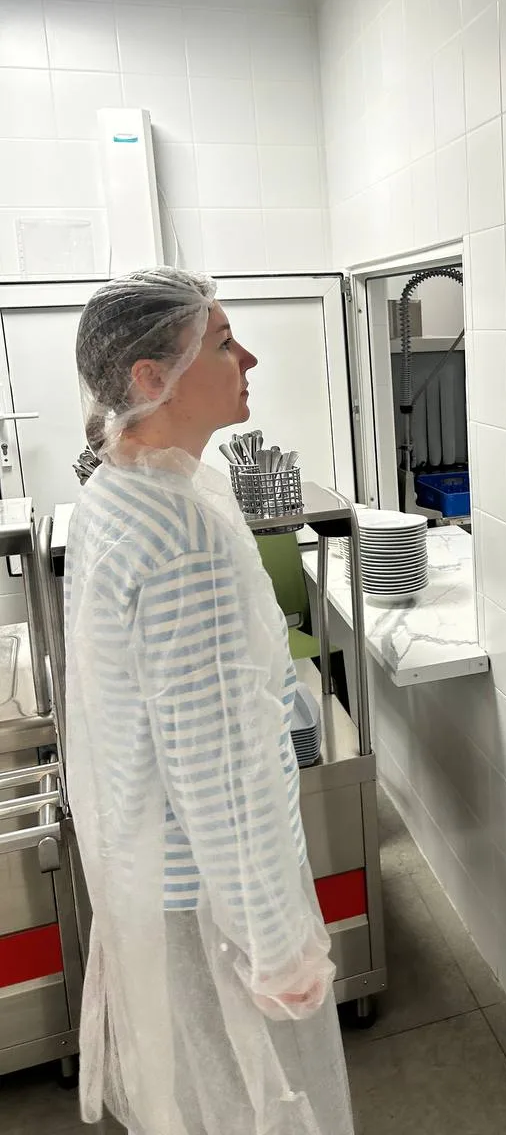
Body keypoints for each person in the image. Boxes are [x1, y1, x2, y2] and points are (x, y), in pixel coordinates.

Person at [64, 267, 354, 1135]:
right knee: (256, 1107)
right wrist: (276, 942)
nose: (248, 358)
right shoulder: (180, 537)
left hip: (160, 878)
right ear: (151, 377)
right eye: (223, 344)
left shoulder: (121, 491)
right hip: (216, 902)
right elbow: (218, 767)